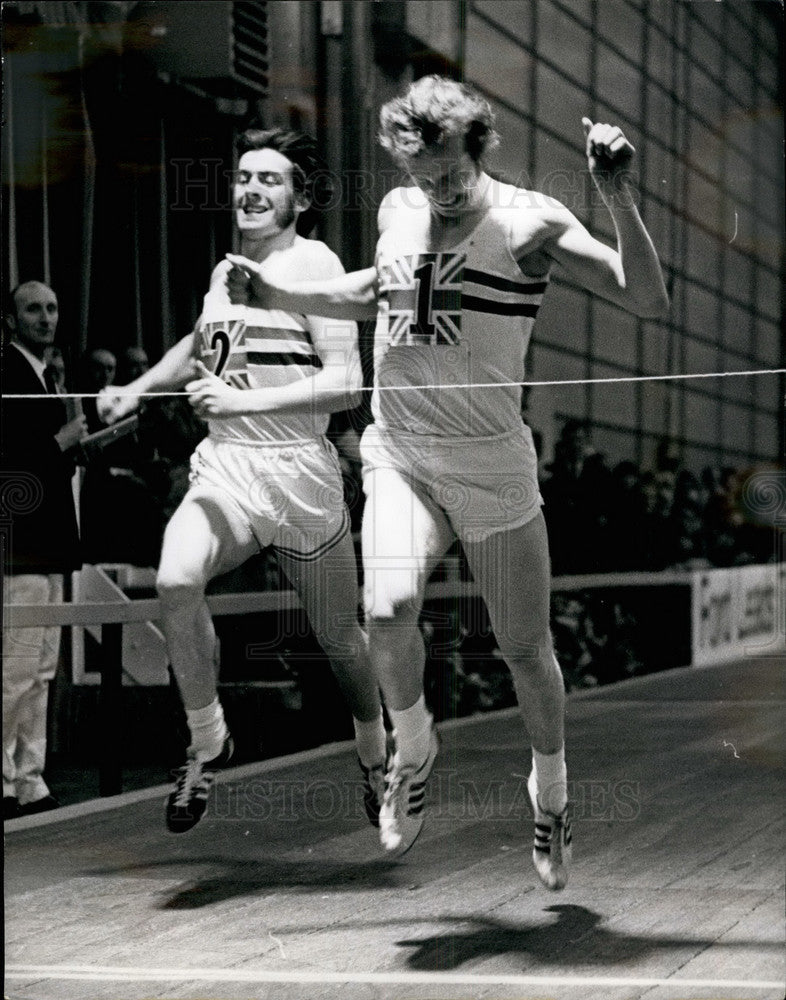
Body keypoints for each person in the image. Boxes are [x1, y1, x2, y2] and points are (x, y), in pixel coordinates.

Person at [226, 76, 669, 888]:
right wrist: (279, 291)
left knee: (524, 649)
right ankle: (415, 745)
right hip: (403, 452)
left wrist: (616, 194)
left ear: (480, 147)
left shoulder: (530, 220)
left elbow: (645, 297)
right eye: (420, 176)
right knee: (386, 608)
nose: (436, 191)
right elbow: (374, 293)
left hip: (493, 466)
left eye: (449, 177)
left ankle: (551, 794)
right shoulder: (401, 212)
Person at [98, 128, 386, 833]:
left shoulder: (316, 264)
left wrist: (241, 401)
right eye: (243, 177)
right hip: (228, 464)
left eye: (270, 179)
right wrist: (137, 388)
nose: (250, 189)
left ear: (300, 197)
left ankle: (377, 752)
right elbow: (200, 341)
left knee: (340, 640)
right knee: (174, 581)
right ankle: (206, 739)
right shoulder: (225, 268)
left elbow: (346, 383)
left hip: (300, 475)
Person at [1, 281, 87, 819]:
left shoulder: (43, 373)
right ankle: (5, 780)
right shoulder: (6, 370)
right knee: (15, 668)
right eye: (33, 308)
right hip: (22, 545)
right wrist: (62, 441)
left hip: (49, 543)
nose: (46, 317)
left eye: (53, 307)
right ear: (11, 319)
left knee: (43, 671)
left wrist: (76, 446)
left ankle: (29, 779)